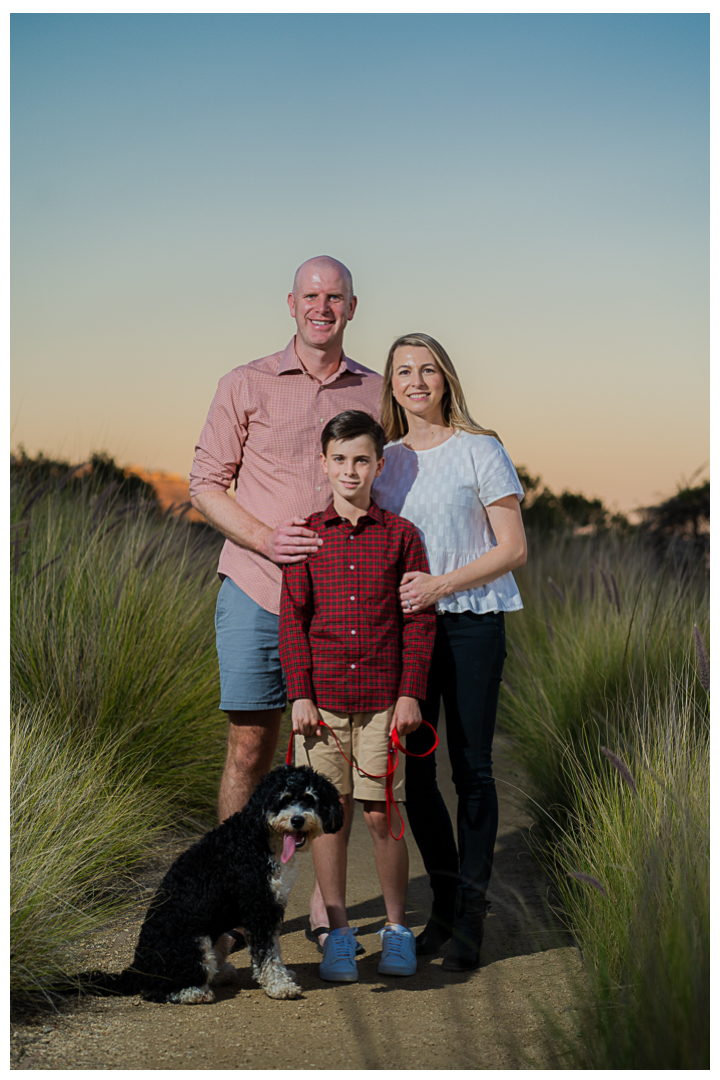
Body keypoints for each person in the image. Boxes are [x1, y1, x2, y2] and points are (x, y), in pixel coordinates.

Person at [189, 257, 382, 826]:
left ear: (351, 308)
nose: (323, 308)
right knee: (250, 748)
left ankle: (327, 909)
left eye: (335, 297)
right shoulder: (244, 383)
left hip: (338, 600)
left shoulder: (375, 391)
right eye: (312, 296)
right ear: (292, 304)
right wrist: (266, 539)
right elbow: (204, 485)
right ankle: (235, 889)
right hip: (257, 589)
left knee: (324, 752)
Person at [372, 332, 527, 972]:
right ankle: (440, 906)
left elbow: (512, 549)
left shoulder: (480, 450)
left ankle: (470, 916)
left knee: (473, 771)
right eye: (404, 371)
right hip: (408, 633)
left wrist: (440, 584)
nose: (416, 380)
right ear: (392, 384)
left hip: (470, 624)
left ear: (446, 379)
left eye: (427, 369)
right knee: (417, 777)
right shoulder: (382, 460)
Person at [279, 410, 436, 982]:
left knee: (380, 814)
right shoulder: (307, 537)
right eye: (339, 459)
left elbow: (418, 622)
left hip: (380, 702)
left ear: (379, 465)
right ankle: (339, 935)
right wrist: (299, 695)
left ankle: (397, 931)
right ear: (324, 464)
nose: (350, 469)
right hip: (320, 706)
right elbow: (292, 622)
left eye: (362, 459)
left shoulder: (401, 537)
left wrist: (410, 694)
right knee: (327, 819)